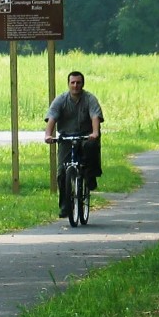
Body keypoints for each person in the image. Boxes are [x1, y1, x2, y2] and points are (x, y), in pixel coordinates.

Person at [44, 71, 104, 219]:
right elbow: (52, 118)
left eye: (78, 82)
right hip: (66, 137)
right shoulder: (61, 100)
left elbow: (95, 116)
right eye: (73, 82)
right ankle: (65, 205)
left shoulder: (90, 99)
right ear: (68, 84)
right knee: (61, 173)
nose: (75, 85)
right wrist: (48, 135)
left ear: (82, 84)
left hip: (86, 136)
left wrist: (95, 132)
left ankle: (90, 176)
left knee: (91, 148)